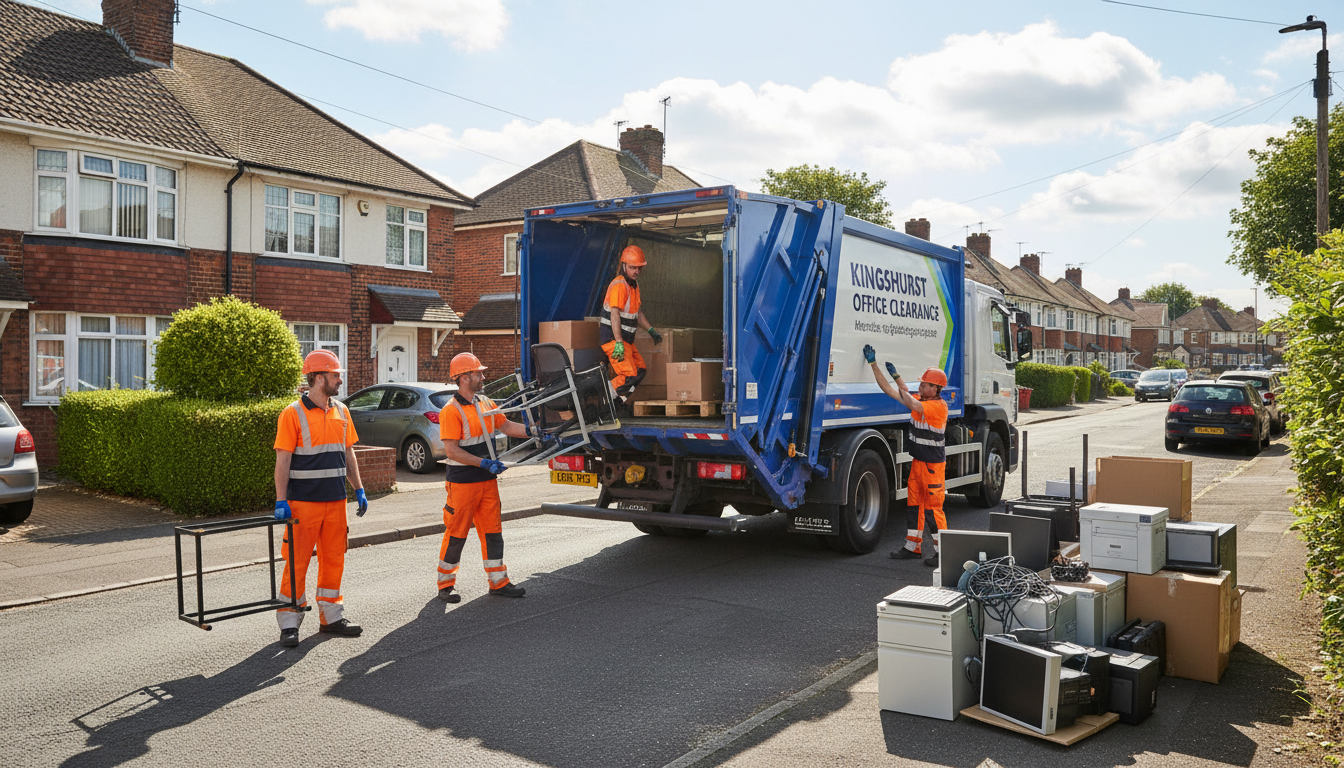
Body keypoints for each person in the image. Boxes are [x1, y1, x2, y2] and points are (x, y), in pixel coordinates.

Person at [273, 349, 369, 648]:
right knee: (296, 561)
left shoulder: (342, 411)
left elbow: (348, 452)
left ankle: (331, 617)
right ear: (318, 377)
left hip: (335, 502)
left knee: (334, 559)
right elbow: (283, 460)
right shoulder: (293, 413)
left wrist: (359, 488)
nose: (339, 380)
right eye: (335, 375)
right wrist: (280, 500)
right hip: (303, 504)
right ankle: (289, 622)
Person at [436, 352, 545, 603]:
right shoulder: (450, 411)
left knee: (493, 532)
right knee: (456, 533)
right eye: (478, 373)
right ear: (464, 378)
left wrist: (532, 431)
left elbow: (505, 426)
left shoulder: (484, 402)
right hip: (462, 483)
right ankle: (445, 584)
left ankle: (498, 582)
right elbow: (451, 450)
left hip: (486, 481)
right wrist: (483, 462)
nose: (483, 377)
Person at [863, 344, 948, 568]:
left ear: (935, 388)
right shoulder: (925, 401)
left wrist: (896, 377)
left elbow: (907, 399)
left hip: (932, 467)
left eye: (924, 384)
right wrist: (878, 368)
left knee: (932, 509)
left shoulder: (937, 407)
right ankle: (913, 547)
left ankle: (945, 552)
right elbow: (895, 393)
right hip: (920, 463)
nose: (920, 386)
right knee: (914, 506)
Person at [600, 245, 662, 411]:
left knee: (640, 370)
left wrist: (651, 331)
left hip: (626, 341)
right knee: (630, 375)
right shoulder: (620, 285)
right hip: (614, 340)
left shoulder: (633, 286)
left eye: (639, 268)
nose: (636, 271)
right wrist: (618, 342)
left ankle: (616, 401)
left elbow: (637, 313)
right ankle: (604, 397)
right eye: (632, 267)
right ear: (624, 266)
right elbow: (614, 314)